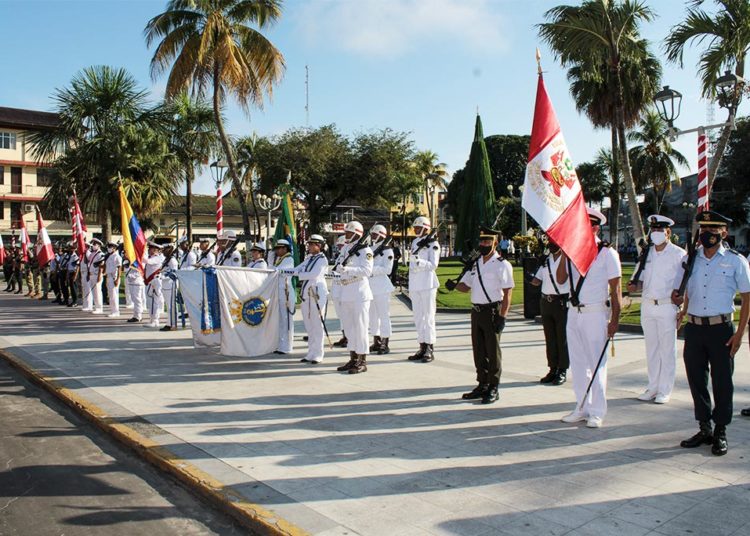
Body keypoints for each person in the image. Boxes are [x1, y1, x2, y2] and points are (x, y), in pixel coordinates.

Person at [672, 210, 750, 456]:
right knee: (696, 379)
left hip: (721, 329)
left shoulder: (736, 261)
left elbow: (748, 298)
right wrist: (679, 303)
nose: (708, 236)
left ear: (724, 233)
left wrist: (739, 333)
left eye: (713, 231)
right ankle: (704, 427)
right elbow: (682, 290)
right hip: (694, 329)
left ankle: (721, 431)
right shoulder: (690, 259)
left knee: (723, 382)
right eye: (704, 231)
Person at [556, 207, 622, 428]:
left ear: (595, 227)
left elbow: (616, 290)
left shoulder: (607, 253)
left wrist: (614, 320)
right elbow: (561, 279)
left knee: (596, 363)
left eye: (586, 224)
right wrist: (565, 252)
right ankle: (582, 406)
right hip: (574, 312)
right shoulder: (573, 250)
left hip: (595, 313)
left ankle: (597, 411)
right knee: (578, 362)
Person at [447, 227, 514, 404]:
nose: (484, 244)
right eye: (482, 241)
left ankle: (493, 386)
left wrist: (503, 316)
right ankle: (482, 383)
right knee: (479, 350)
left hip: (492, 311)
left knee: (493, 351)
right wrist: (453, 285)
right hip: (476, 312)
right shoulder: (476, 264)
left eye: (487, 241)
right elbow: (465, 286)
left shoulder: (502, 264)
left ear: (495, 243)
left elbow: (508, 293)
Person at [627, 215, 685, 404]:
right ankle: (652, 387)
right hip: (648, 305)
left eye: (660, 230)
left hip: (667, 305)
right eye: (654, 230)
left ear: (668, 232)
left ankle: (664, 390)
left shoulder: (678, 254)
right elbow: (640, 277)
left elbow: (683, 284)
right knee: (651, 349)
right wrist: (634, 285)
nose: (656, 234)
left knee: (667, 350)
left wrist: (681, 307)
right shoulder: (647, 253)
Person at [333, 221, 374, 374]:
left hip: (359, 292)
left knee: (360, 328)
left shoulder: (366, 251)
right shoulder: (345, 248)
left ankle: (362, 360)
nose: (347, 235)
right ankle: (353, 357)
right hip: (346, 291)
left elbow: (367, 271)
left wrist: (348, 269)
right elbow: (339, 264)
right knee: (349, 328)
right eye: (346, 232)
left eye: (350, 233)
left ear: (357, 234)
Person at [280, 235, 328, 364]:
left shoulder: (322, 260)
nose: (310, 246)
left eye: (313, 244)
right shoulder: (309, 258)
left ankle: (318, 353)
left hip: (317, 294)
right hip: (306, 294)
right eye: (310, 244)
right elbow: (297, 269)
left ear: (320, 246)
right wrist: (285, 272)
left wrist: (297, 275)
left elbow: (314, 275)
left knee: (317, 325)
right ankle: (311, 353)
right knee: (309, 324)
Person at [531, 234, 570, 386]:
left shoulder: (566, 259)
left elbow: (563, 279)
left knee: (562, 338)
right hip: (546, 301)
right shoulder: (546, 260)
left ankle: (562, 369)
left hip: (560, 301)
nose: (551, 243)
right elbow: (536, 281)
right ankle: (552, 368)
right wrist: (533, 267)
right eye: (550, 241)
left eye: (555, 240)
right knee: (550, 338)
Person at [408, 215, 440, 363]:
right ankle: (421, 345)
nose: (415, 230)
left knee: (428, 317)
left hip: (427, 283)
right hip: (415, 283)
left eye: (418, 227)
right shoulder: (415, 242)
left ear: (426, 228)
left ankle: (429, 348)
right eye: (415, 227)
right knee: (418, 317)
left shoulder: (433, 243)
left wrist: (419, 262)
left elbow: (433, 265)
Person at [368, 224, 395, 355]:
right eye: (372, 234)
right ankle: (376, 340)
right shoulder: (370, 248)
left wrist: (371, 271)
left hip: (382, 287)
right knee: (372, 316)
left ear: (381, 235)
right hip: (370, 287)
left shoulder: (387, 250)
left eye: (375, 234)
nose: (373, 236)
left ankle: (385, 342)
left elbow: (388, 269)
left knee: (384, 315)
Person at [271, 239, 295, 354]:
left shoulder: (288, 259)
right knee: (280, 320)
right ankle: (281, 345)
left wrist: (272, 268)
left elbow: (279, 271)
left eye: (279, 248)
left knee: (287, 321)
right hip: (279, 292)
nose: (276, 251)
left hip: (286, 293)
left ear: (285, 249)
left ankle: (287, 346)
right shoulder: (279, 259)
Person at [330, 235, 349, 347]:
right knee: (340, 315)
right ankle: (344, 336)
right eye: (339, 245)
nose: (339, 247)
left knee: (346, 315)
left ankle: (348, 337)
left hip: (343, 288)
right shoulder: (340, 257)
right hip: (336, 289)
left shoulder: (349, 257)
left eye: (341, 245)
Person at [144, 242, 165, 328]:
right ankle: (152, 319)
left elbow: (148, 262)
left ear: (156, 250)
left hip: (155, 282)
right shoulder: (152, 257)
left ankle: (155, 320)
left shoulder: (158, 258)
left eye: (151, 248)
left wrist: (139, 254)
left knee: (154, 301)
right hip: (151, 282)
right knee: (151, 302)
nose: (149, 250)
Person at [160, 244, 179, 331]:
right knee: (168, 305)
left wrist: (163, 277)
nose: (163, 251)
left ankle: (172, 324)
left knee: (172, 306)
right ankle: (169, 322)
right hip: (165, 285)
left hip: (171, 285)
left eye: (165, 249)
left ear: (170, 250)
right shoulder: (166, 259)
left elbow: (174, 274)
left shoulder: (172, 261)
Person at [85, 238, 105, 314]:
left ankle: (100, 308)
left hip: (97, 275)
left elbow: (101, 266)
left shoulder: (101, 254)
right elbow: (88, 262)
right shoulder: (92, 253)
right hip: (91, 274)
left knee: (97, 292)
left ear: (99, 245)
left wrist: (99, 275)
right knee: (94, 292)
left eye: (95, 244)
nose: (93, 246)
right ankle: (96, 307)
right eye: (93, 244)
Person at [104, 242, 122, 318]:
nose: (109, 248)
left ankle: (116, 311)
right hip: (109, 277)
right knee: (111, 295)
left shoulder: (117, 256)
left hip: (114, 277)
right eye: (108, 247)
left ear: (114, 248)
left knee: (114, 295)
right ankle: (112, 311)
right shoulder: (110, 256)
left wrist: (117, 278)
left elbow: (119, 268)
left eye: (110, 247)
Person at [125, 258, 145, 323]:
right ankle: (135, 315)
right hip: (132, 282)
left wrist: (131, 276)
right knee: (134, 299)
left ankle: (138, 316)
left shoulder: (140, 261)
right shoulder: (132, 259)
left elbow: (141, 271)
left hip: (137, 282)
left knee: (137, 300)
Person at [65, 243, 80, 307]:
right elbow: (69, 267)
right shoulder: (70, 256)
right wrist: (67, 275)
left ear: (74, 249)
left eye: (71, 248)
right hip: (70, 273)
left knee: (74, 288)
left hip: (74, 273)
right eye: (70, 248)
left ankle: (75, 301)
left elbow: (77, 266)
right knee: (71, 288)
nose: (70, 249)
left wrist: (75, 276)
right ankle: (73, 301)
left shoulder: (75, 256)